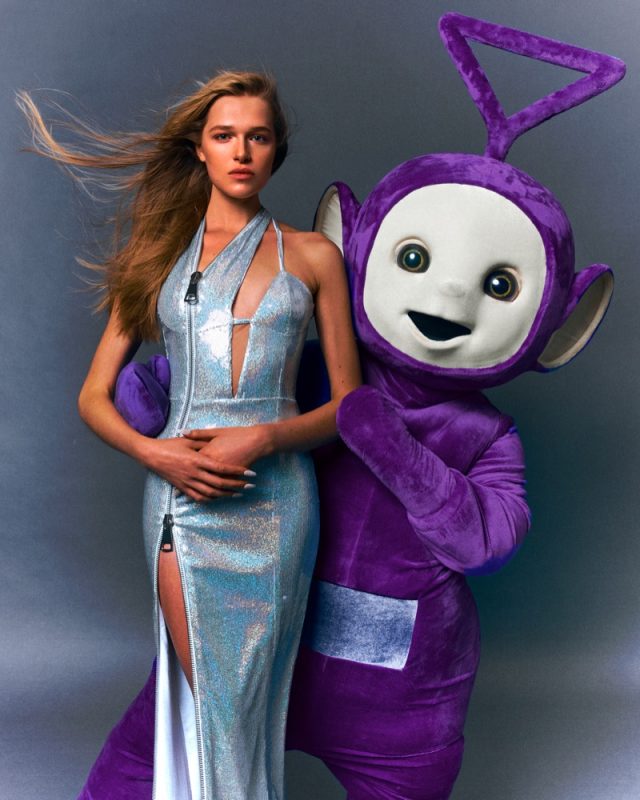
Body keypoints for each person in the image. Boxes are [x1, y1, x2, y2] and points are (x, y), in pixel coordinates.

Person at [19, 71, 360, 800]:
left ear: (276, 150)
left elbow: (348, 408)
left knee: (252, 698)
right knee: (217, 698)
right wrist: (155, 453)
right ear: (199, 149)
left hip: (279, 503)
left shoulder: (313, 256)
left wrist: (263, 439)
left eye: (258, 137)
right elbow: (93, 396)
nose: (242, 151)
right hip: (184, 503)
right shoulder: (161, 254)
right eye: (224, 135)